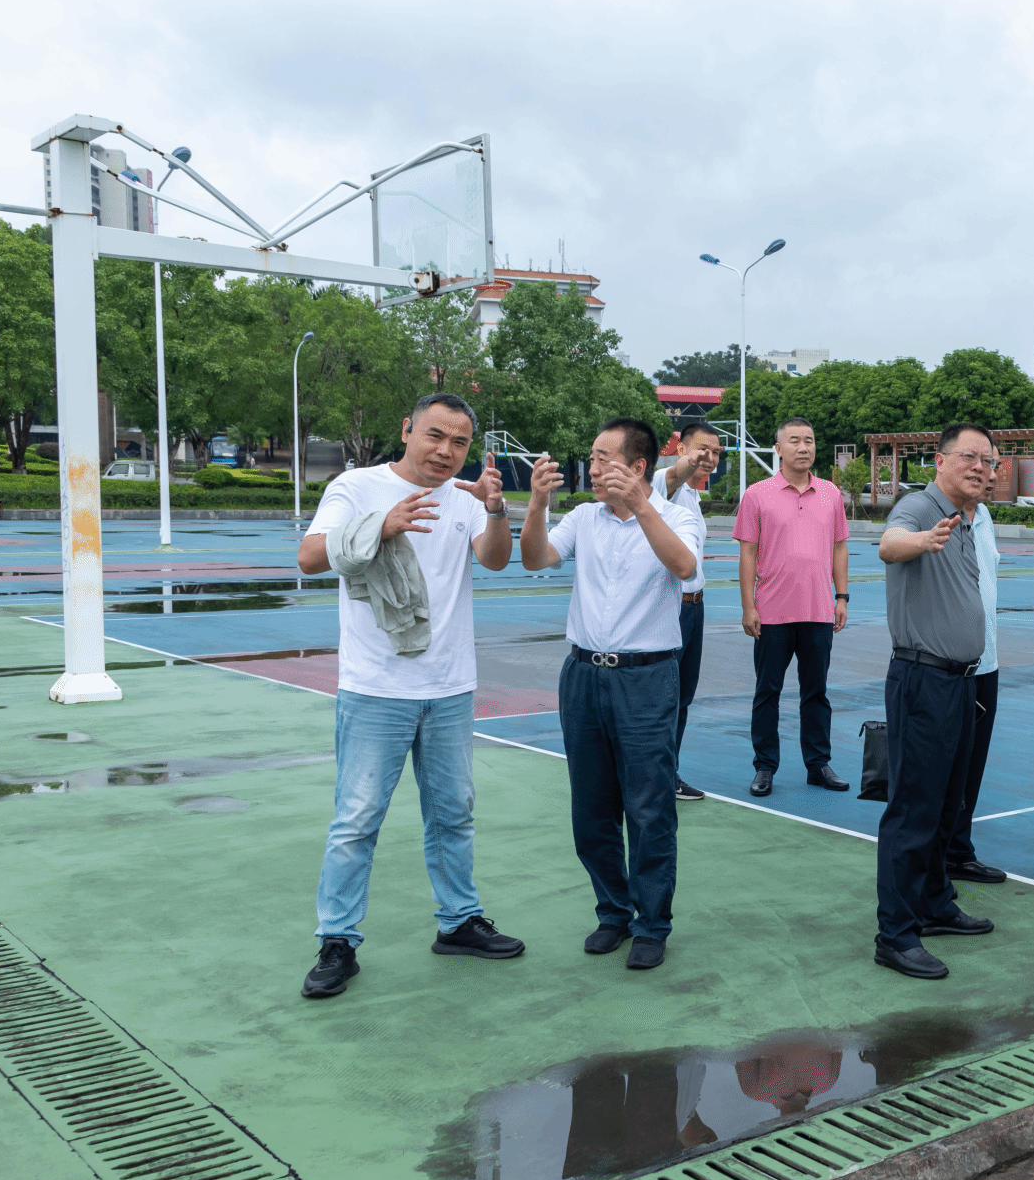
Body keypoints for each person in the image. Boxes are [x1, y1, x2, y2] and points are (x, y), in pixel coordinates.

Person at [296, 392, 524, 999]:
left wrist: (496, 510)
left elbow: (495, 561)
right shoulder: (356, 487)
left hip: (449, 686)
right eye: (435, 435)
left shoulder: (465, 498)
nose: (446, 451)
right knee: (356, 820)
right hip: (375, 687)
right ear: (407, 430)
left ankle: (459, 921)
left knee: (453, 813)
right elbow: (310, 557)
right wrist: (380, 526)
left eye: (459, 442)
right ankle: (337, 940)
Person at [519, 420, 702, 970]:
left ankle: (652, 923)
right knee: (592, 807)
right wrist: (536, 504)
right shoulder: (583, 518)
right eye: (591, 458)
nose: (592, 469)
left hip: (646, 677)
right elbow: (535, 558)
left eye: (604, 458)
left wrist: (641, 507)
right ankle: (613, 912)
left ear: (638, 467)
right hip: (583, 676)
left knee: (648, 807)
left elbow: (685, 568)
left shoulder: (677, 516)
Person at [872, 423, 1003, 979]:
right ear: (940, 460)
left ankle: (934, 904)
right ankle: (896, 934)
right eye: (969, 456)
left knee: (950, 804)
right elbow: (889, 544)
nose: (981, 467)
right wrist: (923, 541)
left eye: (988, 461)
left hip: (962, 682)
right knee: (914, 810)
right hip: (923, 680)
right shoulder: (920, 508)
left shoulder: (971, 520)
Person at [735, 417, 851, 796]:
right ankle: (764, 766)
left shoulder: (831, 493)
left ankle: (818, 765)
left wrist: (841, 596)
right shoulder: (757, 494)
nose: (804, 447)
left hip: (819, 611)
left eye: (810, 440)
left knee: (816, 692)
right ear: (778, 449)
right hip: (771, 613)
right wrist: (748, 606)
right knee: (767, 692)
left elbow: (839, 547)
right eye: (795, 440)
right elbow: (748, 553)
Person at [941, 481, 1009, 886]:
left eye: (992, 464)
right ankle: (933, 857)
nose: (987, 473)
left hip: (986, 663)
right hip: (947, 667)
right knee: (943, 767)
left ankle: (957, 852)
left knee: (972, 765)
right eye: (977, 461)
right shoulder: (929, 512)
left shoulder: (984, 516)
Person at [663, 421, 724, 801]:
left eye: (716, 452)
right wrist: (684, 466)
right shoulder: (666, 489)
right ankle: (655, 774)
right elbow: (670, 478)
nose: (710, 458)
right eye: (702, 449)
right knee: (665, 697)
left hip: (694, 607)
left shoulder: (692, 496)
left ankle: (668, 772)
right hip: (672, 608)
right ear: (681, 449)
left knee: (683, 697)